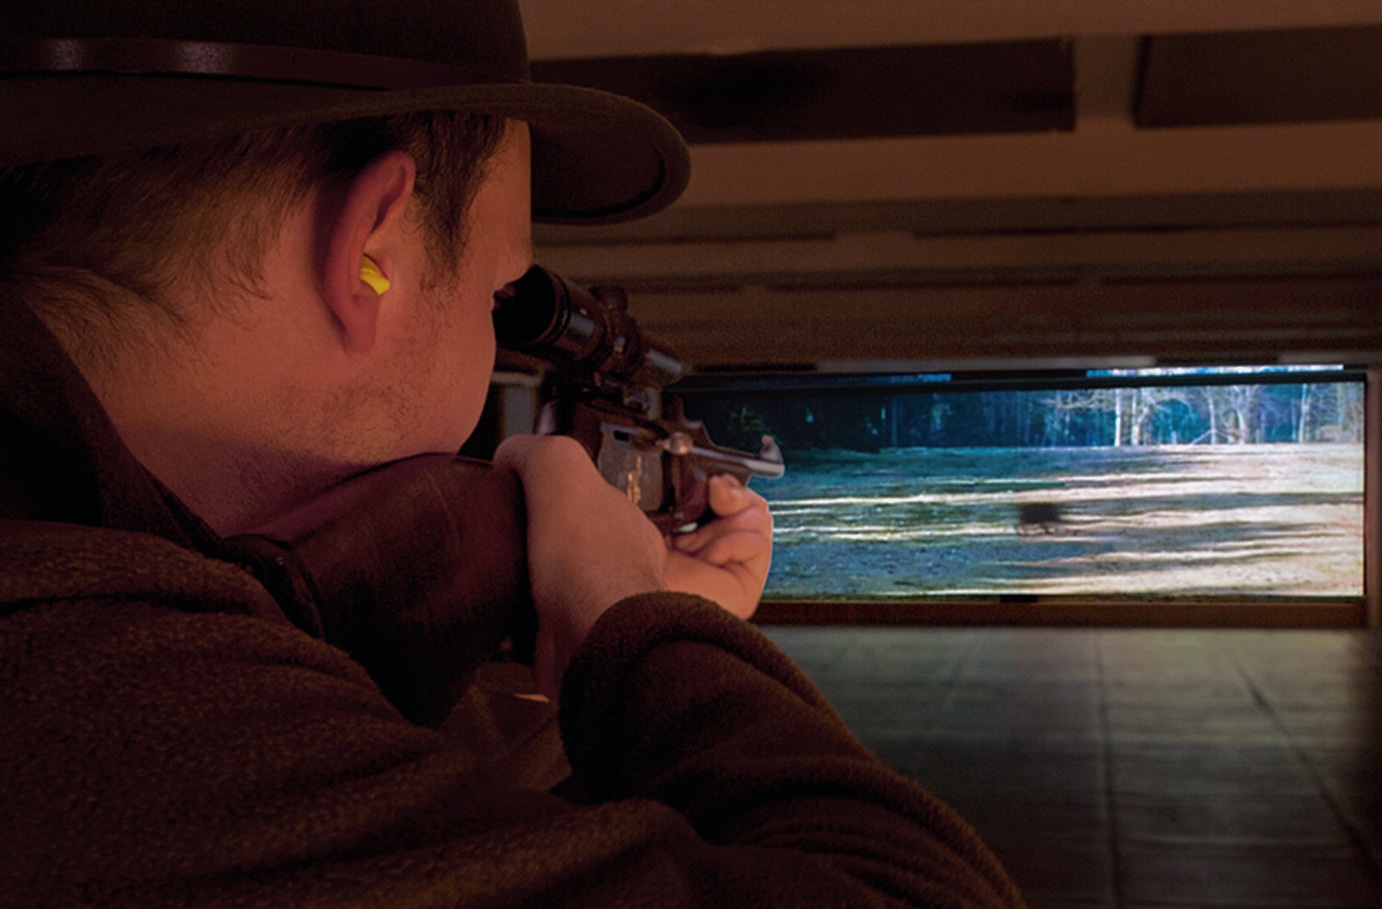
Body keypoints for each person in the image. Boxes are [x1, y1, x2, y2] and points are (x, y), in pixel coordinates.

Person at [0, 1, 1025, 905]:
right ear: (374, 253)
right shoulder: (109, 710)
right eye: (500, 295)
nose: (499, 334)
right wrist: (642, 630)